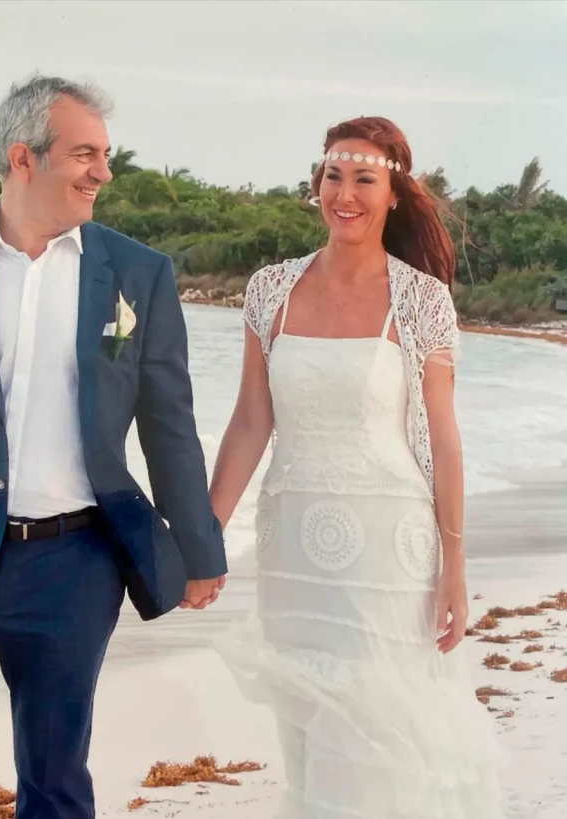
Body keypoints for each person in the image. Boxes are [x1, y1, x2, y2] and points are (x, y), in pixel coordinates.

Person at [0, 74, 226, 819]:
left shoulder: (138, 272)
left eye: (106, 154)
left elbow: (168, 421)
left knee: (54, 777)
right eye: (85, 154)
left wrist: (200, 546)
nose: (104, 172)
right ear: (23, 159)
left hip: (74, 564)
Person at [211, 116, 502, 817]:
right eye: (333, 176)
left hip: (386, 554)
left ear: (393, 193)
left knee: (372, 733)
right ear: (316, 185)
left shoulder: (421, 299)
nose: (345, 193)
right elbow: (252, 420)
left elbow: (443, 437)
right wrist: (202, 530)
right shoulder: (270, 290)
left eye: (364, 179)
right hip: (292, 549)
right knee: (310, 735)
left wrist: (454, 565)